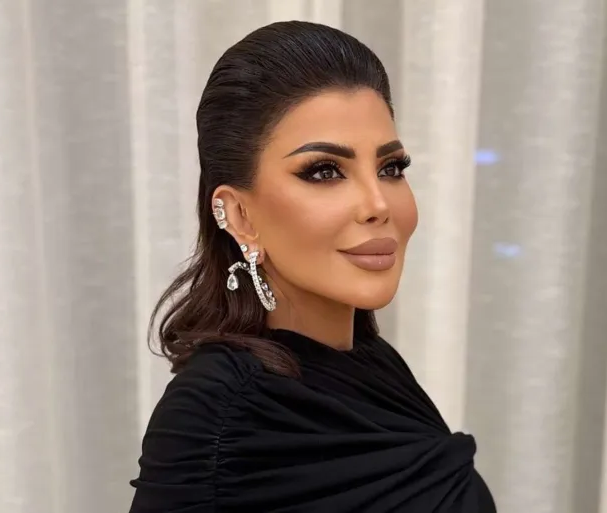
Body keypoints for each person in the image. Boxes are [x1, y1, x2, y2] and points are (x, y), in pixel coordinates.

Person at [129, 20, 495, 513]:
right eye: (324, 171)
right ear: (239, 215)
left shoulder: (375, 368)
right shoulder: (218, 416)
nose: (377, 204)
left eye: (390, 168)